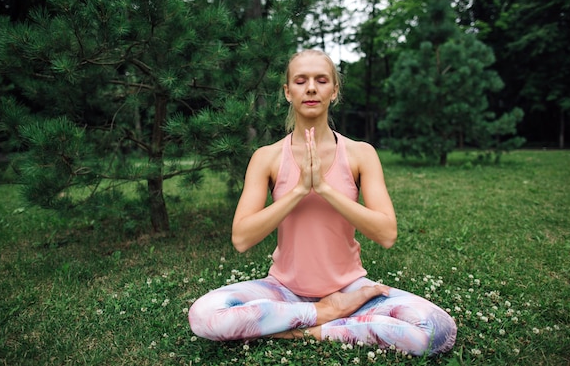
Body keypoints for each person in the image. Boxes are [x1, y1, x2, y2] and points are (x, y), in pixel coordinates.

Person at [188, 49, 457, 355]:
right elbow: (241, 238)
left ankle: (304, 331)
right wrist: (299, 191)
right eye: (301, 81)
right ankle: (325, 316)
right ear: (288, 92)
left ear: (334, 91)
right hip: (283, 293)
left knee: (438, 330)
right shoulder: (266, 158)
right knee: (204, 315)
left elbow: (387, 234)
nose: (312, 88)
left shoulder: (361, 153)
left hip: (350, 290)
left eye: (321, 80)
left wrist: (326, 189)